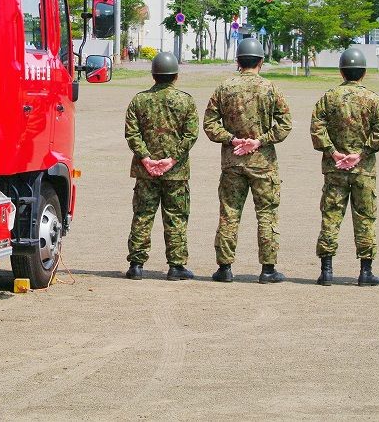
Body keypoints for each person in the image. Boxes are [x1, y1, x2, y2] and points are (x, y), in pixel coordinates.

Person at [203, 37, 292, 283]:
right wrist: (260, 140)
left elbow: (209, 124)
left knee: (229, 213)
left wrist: (232, 139)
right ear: (261, 62)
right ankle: (268, 269)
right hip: (263, 163)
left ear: (238, 62)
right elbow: (285, 124)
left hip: (233, 162)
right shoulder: (270, 88)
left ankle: (224, 268)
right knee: (267, 214)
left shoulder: (224, 88)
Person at [310, 48, 379, 287]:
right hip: (363, 169)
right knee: (365, 218)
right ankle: (365, 271)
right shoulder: (373, 99)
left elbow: (317, 128)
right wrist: (360, 154)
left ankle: (326, 270)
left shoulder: (328, 98)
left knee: (331, 217)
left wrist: (333, 152)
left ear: (341, 71)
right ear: (363, 72)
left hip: (335, 168)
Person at [124, 52, 198, 280]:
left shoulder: (139, 100)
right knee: (176, 216)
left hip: (145, 171)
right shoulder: (186, 100)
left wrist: (146, 158)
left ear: (154, 74)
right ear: (176, 75)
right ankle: (176, 266)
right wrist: (172, 159)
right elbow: (190, 134)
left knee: (143, 215)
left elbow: (132, 133)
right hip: (175, 173)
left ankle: (136, 265)